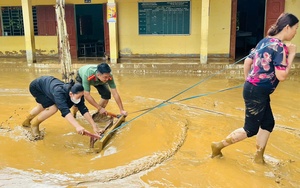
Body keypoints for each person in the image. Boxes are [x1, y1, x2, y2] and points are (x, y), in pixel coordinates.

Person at [211, 13, 299, 163]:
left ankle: (259, 157)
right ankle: (218, 146)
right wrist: (291, 56)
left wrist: (249, 81)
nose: (296, 32)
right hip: (257, 91)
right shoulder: (279, 47)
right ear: (287, 27)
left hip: (254, 89)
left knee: (268, 123)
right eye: (296, 28)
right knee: (250, 129)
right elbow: (281, 76)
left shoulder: (264, 41)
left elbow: (247, 62)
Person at [22, 76, 103, 140]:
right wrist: (77, 126)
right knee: (53, 108)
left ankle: (26, 121)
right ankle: (34, 124)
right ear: (71, 94)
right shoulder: (59, 93)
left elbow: (83, 109)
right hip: (37, 87)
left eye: (82, 96)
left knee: (41, 107)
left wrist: (94, 126)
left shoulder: (78, 94)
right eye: (79, 96)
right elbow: (65, 112)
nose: (81, 98)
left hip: (47, 85)